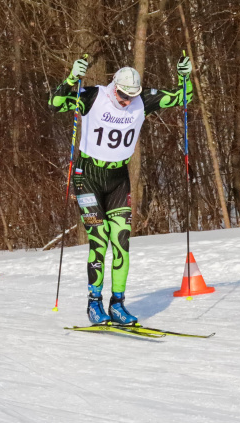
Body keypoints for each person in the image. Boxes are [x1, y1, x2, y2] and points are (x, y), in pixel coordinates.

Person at [49, 54, 193, 325]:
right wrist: (70, 79)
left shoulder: (142, 101)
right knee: (99, 240)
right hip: (88, 175)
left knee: (122, 242)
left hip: (118, 177)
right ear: (114, 86)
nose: (126, 102)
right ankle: (94, 303)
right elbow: (55, 104)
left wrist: (185, 77)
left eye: (131, 97)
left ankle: (117, 304)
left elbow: (182, 98)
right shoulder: (94, 96)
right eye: (123, 95)